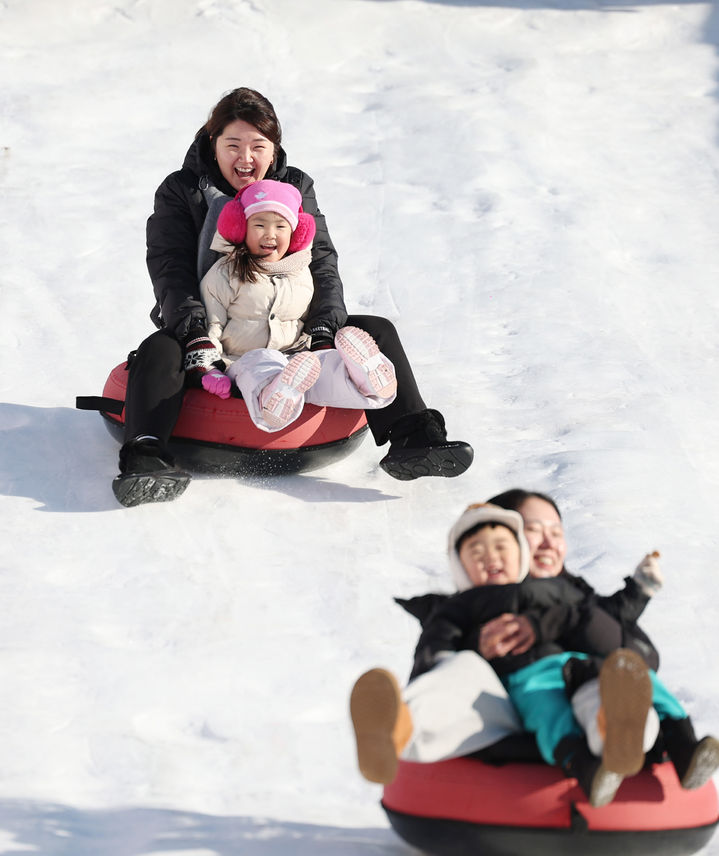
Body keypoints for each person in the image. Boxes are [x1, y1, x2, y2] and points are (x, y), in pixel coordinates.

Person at [113, 87, 473, 506]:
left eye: (257, 147)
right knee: (160, 349)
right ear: (213, 144)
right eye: (232, 145)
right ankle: (146, 454)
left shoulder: (294, 186)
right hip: (215, 327)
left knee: (375, 329)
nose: (245, 159)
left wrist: (324, 327)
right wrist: (194, 332)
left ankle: (414, 437)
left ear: (274, 150)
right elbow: (169, 267)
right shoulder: (183, 189)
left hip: (293, 332)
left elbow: (321, 261)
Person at [350, 503, 719, 806]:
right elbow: (434, 646)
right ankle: (396, 727)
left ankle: (638, 738)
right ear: (460, 567)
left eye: (500, 547)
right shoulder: (458, 607)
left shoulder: (554, 590)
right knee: (485, 682)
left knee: (619, 687)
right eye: (474, 552)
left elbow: (603, 615)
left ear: (521, 554)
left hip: (579, 671)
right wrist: (466, 649)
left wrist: (638, 591)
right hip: (517, 684)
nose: (489, 558)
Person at [196, 179, 397, 432]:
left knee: (325, 366)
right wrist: (210, 368)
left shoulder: (301, 273)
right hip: (240, 359)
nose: (270, 234)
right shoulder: (225, 273)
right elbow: (211, 325)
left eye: (281, 226)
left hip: (296, 359)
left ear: (295, 234)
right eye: (259, 225)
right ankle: (273, 397)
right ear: (240, 229)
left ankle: (366, 377)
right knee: (260, 363)